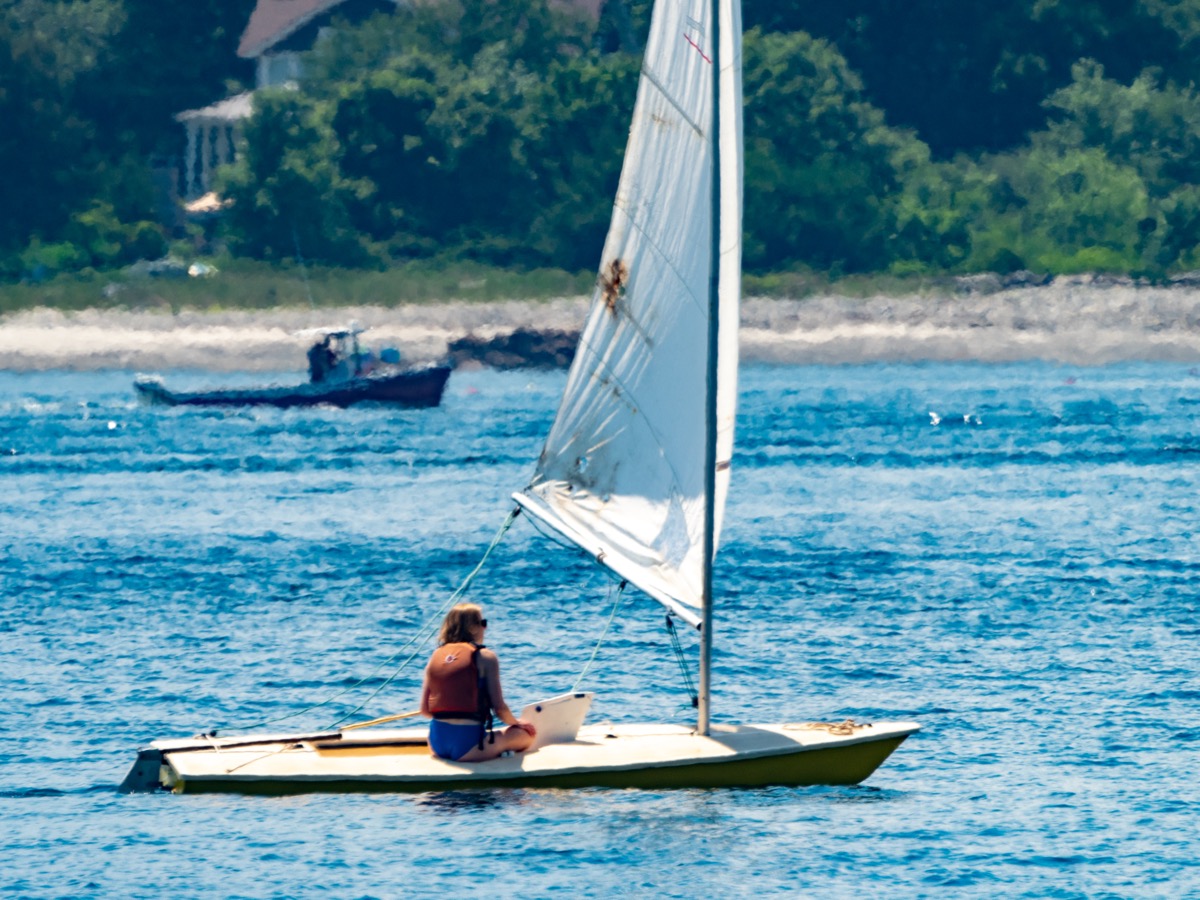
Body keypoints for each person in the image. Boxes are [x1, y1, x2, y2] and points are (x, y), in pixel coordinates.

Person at [420, 603, 536, 762]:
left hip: (436, 744)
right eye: (483, 623)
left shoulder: (436, 656)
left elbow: (425, 711)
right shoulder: (486, 657)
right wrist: (518, 723)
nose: (485, 628)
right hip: (469, 747)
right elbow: (500, 709)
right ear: (473, 627)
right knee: (526, 735)